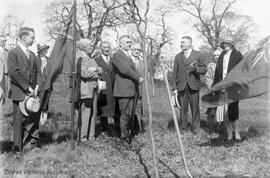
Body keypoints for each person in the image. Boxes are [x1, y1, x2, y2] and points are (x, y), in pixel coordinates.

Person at [8, 27, 42, 153]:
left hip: (32, 94)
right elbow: (13, 73)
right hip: (19, 93)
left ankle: (31, 144)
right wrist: (27, 87)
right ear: (24, 38)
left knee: (32, 119)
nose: (34, 39)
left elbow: (38, 72)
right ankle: (17, 149)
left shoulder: (32, 55)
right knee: (19, 121)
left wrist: (37, 86)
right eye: (32, 37)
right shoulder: (13, 53)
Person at [172, 36, 207, 135]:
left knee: (195, 108)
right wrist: (174, 88)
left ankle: (196, 130)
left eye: (183, 42)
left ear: (190, 44)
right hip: (181, 86)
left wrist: (196, 69)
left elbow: (204, 69)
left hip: (194, 86)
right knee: (183, 108)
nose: (181, 44)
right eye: (181, 42)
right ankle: (183, 130)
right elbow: (175, 72)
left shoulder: (198, 55)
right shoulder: (178, 56)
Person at [112, 35, 144, 140]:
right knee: (124, 113)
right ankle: (123, 136)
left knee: (130, 113)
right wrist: (138, 77)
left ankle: (128, 134)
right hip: (123, 90)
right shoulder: (117, 55)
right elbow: (124, 70)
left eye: (130, 42)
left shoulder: (127, 56)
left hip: (131, 90)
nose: (129, 44)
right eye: (127, 42)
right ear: (120, 43)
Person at [213, 37, 243, 141]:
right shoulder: (222, 55)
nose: (225, 45)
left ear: (231, 44)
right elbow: (217, 72)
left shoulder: (238, 55)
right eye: (224, 43)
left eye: (227, 43)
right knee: (223, 112)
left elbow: (241, 70)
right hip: (222, 87)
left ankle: (237, 133)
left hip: (233, 87)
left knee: (233, 111)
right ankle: (229, 134)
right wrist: (215, 86)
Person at [74, 38, 103, 142]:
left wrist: (94, 69)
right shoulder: (78, 57)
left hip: (93, 90)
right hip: (85, 90)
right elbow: (84, 74)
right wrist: (96, 70)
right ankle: (82, 138)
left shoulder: (90, 58)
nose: (92, 47)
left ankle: (91, 137)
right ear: (83, 47)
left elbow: (101, 70)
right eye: (90, 46)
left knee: (93, 114)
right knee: (85, 114)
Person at [94, 41, 115, 134]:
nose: (106, 49)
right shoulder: (96, 59)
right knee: (103, 108)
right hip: (102, 87)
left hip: (113, 87)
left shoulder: (113, 59)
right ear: (101, 49)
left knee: (114, 107)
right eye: (104, 47)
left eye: (108, 47)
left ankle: (116, 127)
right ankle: (104, 128)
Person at [205, 48, 222, 132]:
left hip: (223, 91)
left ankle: (222, 128)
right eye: (215, 55)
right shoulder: (210, 66)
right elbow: (208, 78)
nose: (216, 57)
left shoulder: (225, 66)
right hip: (213, 91)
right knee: (211, 110)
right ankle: (210, 128)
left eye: (218, 55)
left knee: (222, 111)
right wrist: (211, 88)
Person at [130, 42, 145, 134]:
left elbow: (143, 75)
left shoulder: (142, 62)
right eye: (135, 49)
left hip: (139, 90)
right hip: (129, 89)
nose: (137, 51)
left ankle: (138, 129)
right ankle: (130, 129)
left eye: (139, 50)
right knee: (130, 110)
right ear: (131, 50)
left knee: (138, 109)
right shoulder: (127, 60)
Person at [36, 43, 50, 125]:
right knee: (39, 99)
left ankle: (45, 117)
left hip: (48, 82)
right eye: (44, 49)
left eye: (46, 49)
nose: (46, 51)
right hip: (39, 82)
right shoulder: (36, 59)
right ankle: (38, 116)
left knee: (46, 99)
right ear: (40, 51)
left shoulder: (48, 59)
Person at [0, 35, 8, 119]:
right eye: (2, 41)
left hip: (5, 78)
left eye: (5, 41)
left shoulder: (6, 52)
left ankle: (1, 116)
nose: (4, 43)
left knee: (3, 97)